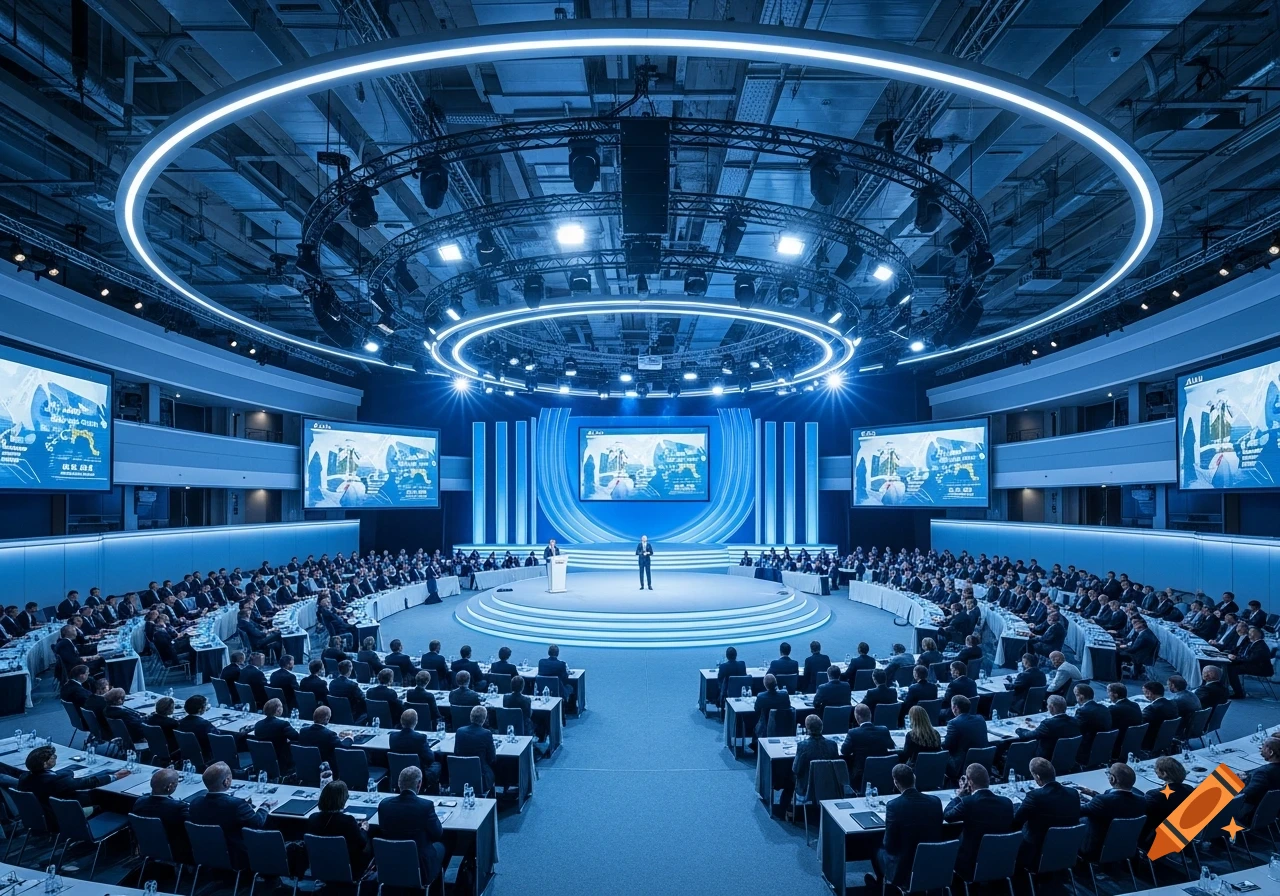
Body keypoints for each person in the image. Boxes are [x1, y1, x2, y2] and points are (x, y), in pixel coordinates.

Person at [866, 764, 944, 890]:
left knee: (874, 845)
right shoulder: (935, 801)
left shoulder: (893, 806)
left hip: (903, 869)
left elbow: (889, 845)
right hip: (931, 863)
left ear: (896, 783)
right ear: (914, 778)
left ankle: (881, 884)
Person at [188, 762, 274, 866]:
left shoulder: (194, 803)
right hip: (236, 855)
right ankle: (272, 880)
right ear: (226, 781)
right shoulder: (237, 805)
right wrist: (265, 807)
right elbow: (257, 822)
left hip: (206, 851)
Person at [18, 744, 127, 824]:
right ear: (45, 764)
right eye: (53, 757)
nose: (55, 757)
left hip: (40, 817)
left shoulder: (24, 778)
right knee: (108, 796)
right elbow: (87, 783)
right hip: (62, 815)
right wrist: (115, 776)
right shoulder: (56, 781)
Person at [376, 766, 448, 888]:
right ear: (419, 784)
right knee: (446, 842)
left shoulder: (383, 805)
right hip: (420, 866)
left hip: (390, 863)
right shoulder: (425, 806)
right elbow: (437, 834)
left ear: (399, 784)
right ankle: (439, 886)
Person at [943, 763, 1014, 881]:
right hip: (1000, 859)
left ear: (969, 782)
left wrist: (959, 796)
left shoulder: (968, 803)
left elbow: (947, 816)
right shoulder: (1007, 803)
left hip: (970, 863)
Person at [1013, 757, 1081, 867]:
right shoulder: (1073, 793)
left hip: (1036, 853)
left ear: (1038, 777)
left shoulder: (1034, 796)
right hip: (1066, 849)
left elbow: (1016, 823)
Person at [1081, 763, 1146, 857]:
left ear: (1112, 779)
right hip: (1126, 846)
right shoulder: (1142, 799)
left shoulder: (1102, 801)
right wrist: (1094, 794)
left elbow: (1078, 811)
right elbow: (1118, 801)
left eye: (1108, 773)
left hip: (1096, 849)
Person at [307, 780, 370, 875]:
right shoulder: (348, 821)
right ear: (343, 799)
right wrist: (363, 829)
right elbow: (362, 844)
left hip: (322, 866)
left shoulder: (312, 818)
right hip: (350, 867)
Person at [132, 768, 192, 862]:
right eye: (177, 782)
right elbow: (190, 828)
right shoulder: (179, 808)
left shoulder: (139, 801)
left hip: (146, 846)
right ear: (170, 786)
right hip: (175, 851)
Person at [840, 703, 894, 790]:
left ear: (857, 717)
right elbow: (892, 746)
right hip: (883, 772)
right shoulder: (884, 730)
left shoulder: (853, 733)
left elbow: (844, 751)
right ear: (870, 715)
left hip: (860, 776)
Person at [792, 714, 839, 805]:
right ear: (822, 727)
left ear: (807, 729)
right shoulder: (833, 745)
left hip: (807, 787)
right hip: (828, 785)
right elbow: (836, 768)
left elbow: (795, 769)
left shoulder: (802, 746)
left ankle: (788, 810)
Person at [1016, 694, 1081, 760]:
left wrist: (1019, 730)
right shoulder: (1074, 721)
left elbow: (1028, 736)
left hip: (1045, 760)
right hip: (1067, 758)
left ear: (1051, 707)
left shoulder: (1048, 724)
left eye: (1047, 705)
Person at [943, 695, 989, 780]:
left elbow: (947, 745)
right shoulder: (980, 719)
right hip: (982, 761)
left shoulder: (953, 723)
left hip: (960, 766)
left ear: (955, 707)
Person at [454, 705, 497, 795]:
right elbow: (492, 758)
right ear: (484, 719)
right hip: (481, 777)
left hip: (460, 774)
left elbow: (456, 753)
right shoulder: (487, 734)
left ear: (470, 717)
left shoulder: (459, 731)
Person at [1227, 626, 1273, 699]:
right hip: (1254, 665)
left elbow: (1251, 659)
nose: (1248, 635)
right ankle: (1230, 688)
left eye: (1250, 633)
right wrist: (1236, 658)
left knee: (1232, 669)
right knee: (1229, 665)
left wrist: (1236, 658)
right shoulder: (1254, 643)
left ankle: (1239, 693)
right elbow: (1247, 657)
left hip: (1261, 669)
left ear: (1256, 635)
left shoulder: (1261, 646)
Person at [253, 698, 299, 770]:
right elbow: (296, 737)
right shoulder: (283, 724)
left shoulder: (258, 725)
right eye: (281, 706)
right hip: (282, 761)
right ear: (278, 710)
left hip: (263, 760)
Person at [1072, 684, 1112, 764]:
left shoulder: (1083, 712)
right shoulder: (1104, 708)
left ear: (1081, 697)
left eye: (1076, 695)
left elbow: (1074, 729)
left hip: (1086, 749)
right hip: (1104, 747)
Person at [1241, 736, 1280, 818]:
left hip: (1253, 814)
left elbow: (1246, 795)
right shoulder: (1264, 772)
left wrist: (1239, 785)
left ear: (1270, 752)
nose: (1260, 749)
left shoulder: (1262, 773)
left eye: (1263, 746)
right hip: (1274, 811)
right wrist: (1249, 776)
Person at [1139, 680, 1180, 750]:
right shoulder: (1172, 704)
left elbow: (1140, 724)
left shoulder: (1151, 709)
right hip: (1167, 737)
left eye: (1145, 693)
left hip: (1151, 741)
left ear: (1150, 693)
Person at [752, 673, 791, 740]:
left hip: (765, 728)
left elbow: (756, 709)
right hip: (784, 727)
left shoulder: (761, 696)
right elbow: (788, 706)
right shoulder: (785, 694)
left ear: (764, 684)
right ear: (776, 683)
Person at [537, 644, 575, 711]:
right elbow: (565, 680)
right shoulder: (561, 664)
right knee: (570, 687)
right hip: (558, 690)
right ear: (558, 653)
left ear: (548, 652)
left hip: (542, 689)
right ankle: (570, 710)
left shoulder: (541, 662)